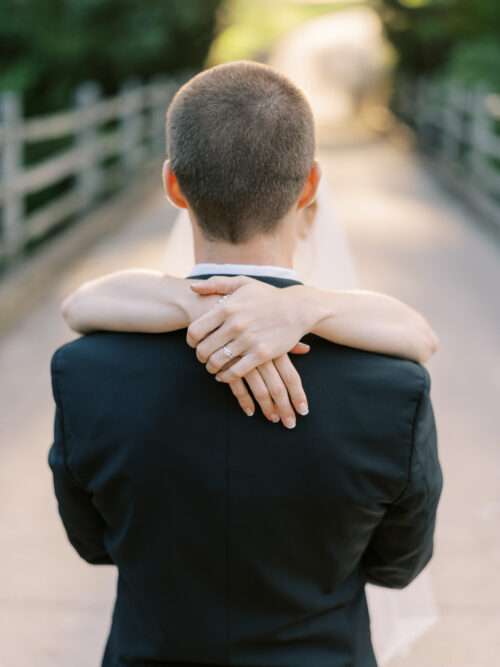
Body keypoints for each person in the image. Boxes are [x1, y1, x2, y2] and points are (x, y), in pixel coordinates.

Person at [49, 61, 443, 667]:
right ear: (309, 185)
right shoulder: (396, 388)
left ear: (173, 185)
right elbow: (399, 565)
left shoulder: (83, 371)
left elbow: (96, 545)